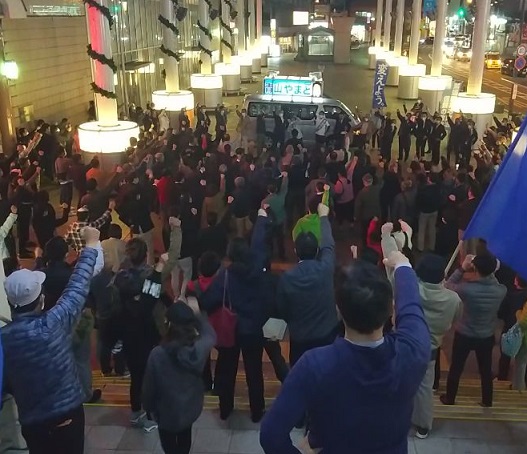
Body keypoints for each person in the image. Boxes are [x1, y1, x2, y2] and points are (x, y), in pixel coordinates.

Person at [260, 233, 430, 453]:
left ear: (338, 310)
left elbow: (271, 435)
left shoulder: (314, 365)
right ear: (391, 310)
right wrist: (403, 266)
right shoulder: (412, 353)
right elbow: (412, 309)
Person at [1, 227, 99, 454]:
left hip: (32, 423)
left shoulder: (3, 340)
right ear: (41, 300)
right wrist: (91, 244)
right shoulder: (55, 322)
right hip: (68, 416)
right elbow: (78, 285)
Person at [198, 207, 270, 422]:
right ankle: (257, 411)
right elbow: (259, 245)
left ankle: (225, 408)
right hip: (253, 328)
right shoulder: (257, 269)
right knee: (254, 371)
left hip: (231, 329)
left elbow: (208, 301)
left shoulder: (225, 276)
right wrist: (261, 219)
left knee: (227, 371)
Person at [142, 302, 216, 454]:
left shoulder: (157, 355)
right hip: (189, 408)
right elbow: (210, 335)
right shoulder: (198, 350)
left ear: (169, 325)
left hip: (166, 412)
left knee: (169, 445)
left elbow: (149, 388)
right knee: (185, 438)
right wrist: (197, 315)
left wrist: (149, 408)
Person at [114, 240, 170, 432]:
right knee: (148, 376)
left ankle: (136, 412)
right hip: (147, 334)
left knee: (136, 377)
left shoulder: (120, 277)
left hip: (127, 334)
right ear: (146, 255)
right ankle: (148, 413)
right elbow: (151, 299)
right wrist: (158, 271)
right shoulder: (148, 279)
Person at [441, 253, 507, 408]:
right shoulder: (501, 290)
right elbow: (493, 280)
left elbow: (447, 285)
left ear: (475, 268)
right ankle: (487, 400)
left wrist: (462, 269)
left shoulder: (466, 289)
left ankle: (450, 397)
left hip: (464, 332)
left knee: (456, 367)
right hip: (486, 334)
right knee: (485, 369)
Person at [277, 203, 338, 367]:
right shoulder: (326, 269)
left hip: (300, 337)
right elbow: (328, 244)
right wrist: (324, 217)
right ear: (317, 251)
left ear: (296, 251)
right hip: (326, 333)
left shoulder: (287, 278)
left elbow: (282, 308)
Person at [411, 254, 462, 438]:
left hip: (405, 343)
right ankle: (423, 426)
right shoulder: (454, 299)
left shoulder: (411, 289)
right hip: (430, 349)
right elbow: (455, 319)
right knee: (424, 389)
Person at [264, 171, 289, 261]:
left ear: (268, 190)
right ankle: (281, 255)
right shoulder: (280, 198)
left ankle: (270, 254)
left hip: (270, 222)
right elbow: (284, 188)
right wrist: (285, 178)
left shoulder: (265, 201)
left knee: (270, 239)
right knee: (280, 239)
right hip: (280, 221)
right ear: (276, 189)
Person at [415, 172, 441, 252]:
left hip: (424, 211)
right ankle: (432, 246)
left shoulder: (423, 189)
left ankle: (420, 247)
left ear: (429, 179)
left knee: (422, 229)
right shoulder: (438, 188)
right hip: (434, 211)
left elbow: (418, 200)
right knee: (432, 228)